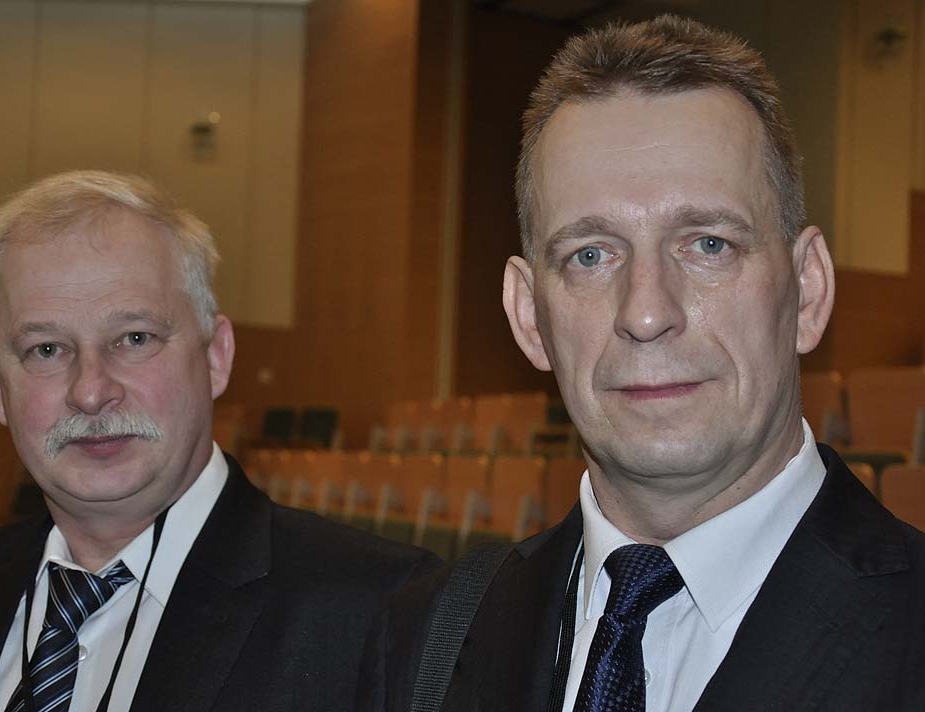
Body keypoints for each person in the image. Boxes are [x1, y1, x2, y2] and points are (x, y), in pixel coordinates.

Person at [358, 15, 925, 712]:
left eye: (709, 244)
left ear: (807, 291)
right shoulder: (428, 636)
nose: (647, 312)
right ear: (529, 316)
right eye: (591, 255)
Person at [0, 170, 436, 712]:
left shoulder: (383, 610)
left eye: (134, 338)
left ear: (215, 356)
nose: (91, 392)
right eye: (46, 350)